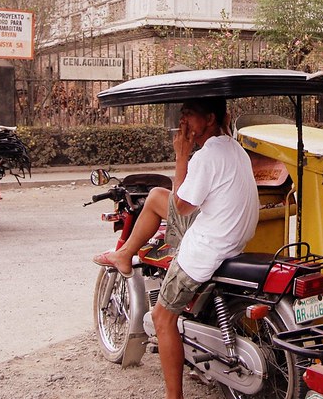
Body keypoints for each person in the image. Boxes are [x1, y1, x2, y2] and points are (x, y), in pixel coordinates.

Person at [92, 97, 258, 399]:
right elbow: (180, 200)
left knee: (162, 318)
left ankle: (173, 396)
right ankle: (126, 254)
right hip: (231, 237)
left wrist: (181, 155)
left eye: (188, 115)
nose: (183, 123)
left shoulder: (205, 157)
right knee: (156, 195)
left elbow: (181, 207)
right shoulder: (234, 149)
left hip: (208, 247)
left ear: (209, 119)